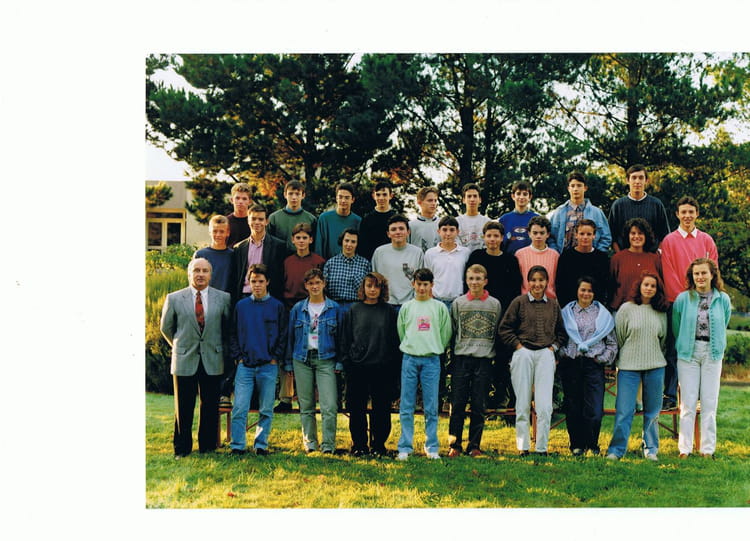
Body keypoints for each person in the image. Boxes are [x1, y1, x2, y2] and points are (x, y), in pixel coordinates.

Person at [160, 258, 231, 458]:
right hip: (184, 358)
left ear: (210, 274)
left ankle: (207, 446)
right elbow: (166, 327)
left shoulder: (223, 298)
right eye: (196, 270)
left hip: (212, 358)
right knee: (183, 406)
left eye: (205, 271)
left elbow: (227, 328)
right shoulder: (174, 298)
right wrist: (179, 346)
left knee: (209, 405)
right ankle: (182, 448)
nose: (200, 274)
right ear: (189, 273)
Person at [498, 265, 566, 456]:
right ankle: (523, 446)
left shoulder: (553, 305)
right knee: (522, 403)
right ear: (528, 282)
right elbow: (505, 328)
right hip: (523, 353)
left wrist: (553, 348)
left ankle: (542, 447)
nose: (537, 284)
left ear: (547, 282)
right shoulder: (519, 302)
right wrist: (518, 346)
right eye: (533, 280)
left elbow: (561, 333)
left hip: (545, 353)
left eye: (541, 280)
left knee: (544, 405)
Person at [659, 195, 719, 411]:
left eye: (691, 212)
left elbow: (712, 271)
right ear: (677, 214)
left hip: (703, 304)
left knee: (700, 348)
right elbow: (669, 273)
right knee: (674, 350)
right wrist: (685, 300)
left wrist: (700, 298)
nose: (687, 216)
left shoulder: (707, 240)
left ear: (697, 214)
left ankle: (699, 396)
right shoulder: (669, 241)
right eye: (683, 212)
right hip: (677, 304)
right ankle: (670, 395)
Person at [606, 272, 669, 461]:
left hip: (655, 366)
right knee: (624, 411)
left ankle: (651, 449)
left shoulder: (660, 312)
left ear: (657, 290)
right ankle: (617, 450)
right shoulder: (626, 309)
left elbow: (663, 339)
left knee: (652, 412)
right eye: (646, 284)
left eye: (653, 286)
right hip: (628, 367)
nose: (649, 288)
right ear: (639, 286)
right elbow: (620, 336)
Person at [672, 258, 731, 459]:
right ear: (692, 276)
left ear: (712, 275)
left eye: (704, 273)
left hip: (712, 353)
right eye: (696, 273)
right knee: (687, 402)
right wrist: (685, 344)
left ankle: (707, 449)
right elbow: (676, 326)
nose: (700, 277)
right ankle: (684, 449)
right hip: (688, 353)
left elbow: (724, 322)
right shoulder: (683, 299)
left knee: (709, 402)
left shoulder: (723, 299)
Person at [228, 264, 287, 456]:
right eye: (253, 281)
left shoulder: (277, 307)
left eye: (261, 281)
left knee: (266, 409)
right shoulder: (241, 306)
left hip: (268, 366)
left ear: (267, 282)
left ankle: (261, 444)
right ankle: (237, 445)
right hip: (245, 366)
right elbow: (232, 334)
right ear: (249, 282)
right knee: (240, 407)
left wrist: (275, 357)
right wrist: (238, 357)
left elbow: (283, 335)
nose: (257, 285)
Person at [340, 272, 399, 457]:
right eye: (369, 286)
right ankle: (359, 445)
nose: (372, 290)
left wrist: (392, 367)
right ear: (363, 288)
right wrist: (348, 362)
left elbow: (395, 341)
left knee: (381, 409)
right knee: (356, 408)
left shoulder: (389, 311)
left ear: (382, 289)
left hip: (382, 367)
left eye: (376, 286)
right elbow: (345, 338)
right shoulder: (354, 310)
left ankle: (378, 445)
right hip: (358, 367)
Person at [465, 221, 522, 410]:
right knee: (479, 357)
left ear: (502, 238)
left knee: (502, 357)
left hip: (503, 315)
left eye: (496, 236)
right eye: (489, 235)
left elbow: (515, 290)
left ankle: (502, 397)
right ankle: (477, 397)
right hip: (479, 313)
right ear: (484, 237)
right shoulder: (477, 256)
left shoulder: (510, 260)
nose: (492, 239)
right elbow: (468, 283)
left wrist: (510, 316)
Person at [396, 268, 452, 460]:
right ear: (413, 284)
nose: (422, 288)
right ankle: (405, 447)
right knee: (406, 405)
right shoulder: (407, 308)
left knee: (431, 406)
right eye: (419, 284)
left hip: (431, 360)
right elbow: (402, 332)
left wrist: (435, 347)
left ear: (431, 285)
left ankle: (432, 447)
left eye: (425, 284)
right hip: (410, 358)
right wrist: (412, 346)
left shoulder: (439, 308)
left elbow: (445, 333)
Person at [285, 268, 343, 454]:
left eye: (318, 282)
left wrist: (339, 362)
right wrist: (288, 363)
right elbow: (290, 337)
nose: (315, 286)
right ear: (306, 286)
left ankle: (328, 445)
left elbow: (341, 338)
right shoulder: (298, 309)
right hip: (302, 359)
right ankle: (310, 443)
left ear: (324, 284)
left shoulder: (334, 308)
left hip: (326, 359)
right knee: (306, 405)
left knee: (329, 405)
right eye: (311, 283)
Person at [447, 264, 502, 457]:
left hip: (484, 360)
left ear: (485, 281)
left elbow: (496, 331)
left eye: (478, 279)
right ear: (466, 281)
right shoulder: (458, 303)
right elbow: (453, 330)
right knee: (458, 403)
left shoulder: (495, 304)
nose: (474, 282)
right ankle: (454, 445)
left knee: (479, 404)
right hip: (462, 359)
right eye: (471, 278)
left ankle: (474, 445)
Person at [559, 277, 618, 456]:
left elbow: (612, 343)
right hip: (572, 363)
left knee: (594, 408)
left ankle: (592, 445)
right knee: (573, 406)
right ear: (577, 291)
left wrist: (601, 359)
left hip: (593, 365)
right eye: (583, 290)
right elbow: (559, 336)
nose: (586, 294)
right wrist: (564, 353)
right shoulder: (566, 313)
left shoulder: (603, 315)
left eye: (590, 291)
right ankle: (576, 445)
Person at [229, 203, 286, 304]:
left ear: (266, 221)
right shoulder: (239, 248)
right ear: (248, 220)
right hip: (245, 296)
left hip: (269, 297)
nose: (257, 222)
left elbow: (280, 276)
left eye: (260, 219)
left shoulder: (278, 246)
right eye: (253, 219)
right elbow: (235, 277)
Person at [608, 164, 670, 253]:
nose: (637, 181)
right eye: (634, 178)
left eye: (641, 178)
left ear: (646, 181)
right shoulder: (618, 205)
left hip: (651, 256)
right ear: (627, 180)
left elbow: (664, 234)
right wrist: (620, 255)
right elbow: (612, 235)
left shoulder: (656, 204)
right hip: (625, 256)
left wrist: (658, 253)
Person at [548, 171, 611, 254]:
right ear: (568, 188)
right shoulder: (559, 212)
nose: (575, 189)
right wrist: (556, 254)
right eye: (572, 186)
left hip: (590, 258)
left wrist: (596, 255)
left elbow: (606, 237)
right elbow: (550, 237)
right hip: (564, 257)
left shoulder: (597, 213)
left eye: (579, 185)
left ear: (585, 188)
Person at [608, 218, 662, 311]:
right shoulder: (617, 259)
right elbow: (611, 286)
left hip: (649, 309)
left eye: (640, 233)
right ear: (628, 236)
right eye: (633, 233)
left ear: (646, 236)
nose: (636, 236)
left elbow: (660, 287)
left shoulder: (655, 259)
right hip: (622, 309)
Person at [372, 214, 424, 311]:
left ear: (408, 232)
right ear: (388, 234)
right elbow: (375, 279)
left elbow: (420, 281)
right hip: (385, 305)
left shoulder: (417, 253)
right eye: (393, 229)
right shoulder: (379, 252)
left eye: (401, 228)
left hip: (410, 304)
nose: (398, 232)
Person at [554, 219, 610, 307]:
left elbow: (604, 286)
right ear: (576, 235)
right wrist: (566, 307)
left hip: (595, 307)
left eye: (589, 234)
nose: (585, 237)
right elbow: (560, 285)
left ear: (594, 236)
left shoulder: (602, 258)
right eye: (582, 234)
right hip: (569, 306)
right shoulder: (566, 257)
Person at [423, 216, 471, 309]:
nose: (448, 233)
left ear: (457, 232)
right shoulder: (430, 253)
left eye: (452, 230)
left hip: (459, 301)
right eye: (444, 230)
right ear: (438, 231)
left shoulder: (465, 252)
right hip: (436, 300)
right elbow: (427, 279)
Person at [322, 228, 372, 310]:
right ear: (342, 241)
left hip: (357, 307)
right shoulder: (330, 263)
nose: (349, 244)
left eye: (353, 242)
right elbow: (324, 288)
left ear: (357, 244)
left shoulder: (365, 264)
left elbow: (369, 289)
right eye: (346, 240)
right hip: (334, 306)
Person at [282, 223, 326, 310]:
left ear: (311, 240)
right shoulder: (287, 262)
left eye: (305, 238)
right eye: (298, 238)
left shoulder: (319, 261)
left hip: (311, 305)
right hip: (289, 306)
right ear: (293, 240)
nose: (301, 241)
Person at [515, 215, 559, 300]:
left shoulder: (555, 255)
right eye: (535, 233)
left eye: (542, 233)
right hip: (526, 301)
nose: (538, 236)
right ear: (529, 234)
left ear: (548, 234)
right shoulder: (520, 254)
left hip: (549, 301)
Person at [314, 182, 362, 260]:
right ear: (336, 198)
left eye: (347, 198)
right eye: (340, 197)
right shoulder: (324, 219)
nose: (343, 200)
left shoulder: (358, 221)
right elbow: (319, 247)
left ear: (352, 200)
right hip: (327, 264)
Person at [268, 180, 318, 254]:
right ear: (285, 195)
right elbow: (269, 244)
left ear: (303, 195)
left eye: (297, 194)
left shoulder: (311, 219)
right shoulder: (274, 218)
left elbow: (314, 245)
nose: (294, 197)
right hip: (279, 258)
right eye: (290, 194)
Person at [193, 215, 233, 293]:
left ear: (228, 233)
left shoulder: (233, 255)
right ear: (209, 232)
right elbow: (193, 281)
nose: (218, 235)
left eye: (222, 231)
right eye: (215, 231)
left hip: (227, 298)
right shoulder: (200, 255)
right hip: (205, 297)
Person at [358, 181, 397, 260]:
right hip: (371, 261)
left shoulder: (396, 219)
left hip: (392, 260)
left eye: (384, 194)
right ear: (373, 196)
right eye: (378, 195)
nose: (381, 198)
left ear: (391, 196)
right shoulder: (366, 219)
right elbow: (362, 246)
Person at [498, 181, 539, 255]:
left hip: (531, 258)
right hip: (509, 259)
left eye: (525, 194)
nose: (521, 197)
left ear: (530, 197)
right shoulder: (504, 219)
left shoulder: (537, 219)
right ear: (513, 196)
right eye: (518, 193)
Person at [457, 183, 491, 253]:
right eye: (469, 196)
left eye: (475, 196)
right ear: (463, 200)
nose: (472, 199)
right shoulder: (457, 222)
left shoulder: (487, 222)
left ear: (480, 200)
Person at [409, 186, 441, 252]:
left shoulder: (442, 224)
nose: (433, 203)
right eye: (430, 200)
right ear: (419, 202)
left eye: (435, 200)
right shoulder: (410, 225)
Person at [226, 182, 253, 248]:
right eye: (237, 198)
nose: (240, 201)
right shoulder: (225, 222)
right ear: (232, 200)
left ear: (250, 201)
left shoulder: (255, 222)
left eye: (244, 199)